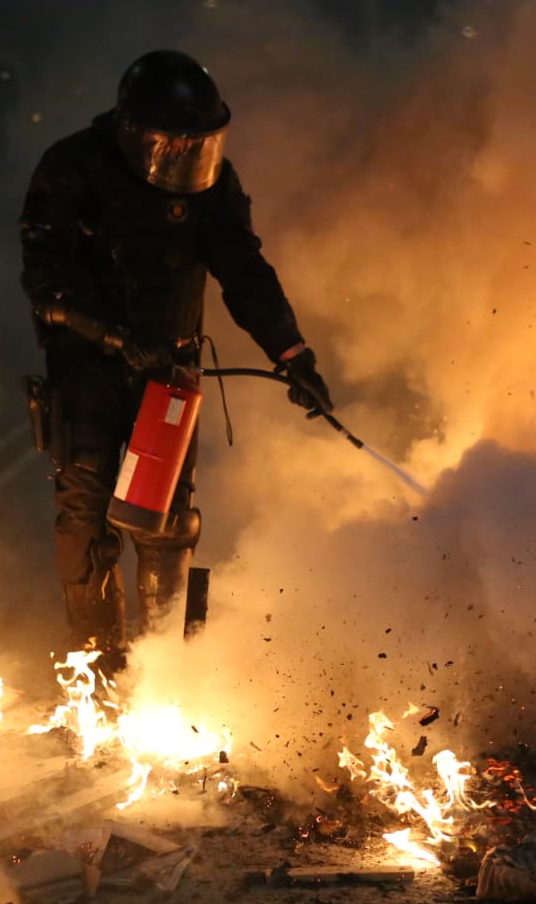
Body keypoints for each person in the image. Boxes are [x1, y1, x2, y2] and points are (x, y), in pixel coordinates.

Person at [19, 49, 333, 665]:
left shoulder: (213, 186)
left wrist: (292, 352)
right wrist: (110, 336)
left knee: (163, 521)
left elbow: (244, 270)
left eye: (198, 145)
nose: (185, 158)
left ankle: (172, 674)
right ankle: (98, 668)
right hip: (86, 370)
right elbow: (44, 285)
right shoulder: (72, 168)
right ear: (134, 131)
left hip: (168, 376)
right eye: (173, 143)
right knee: (85, 516)